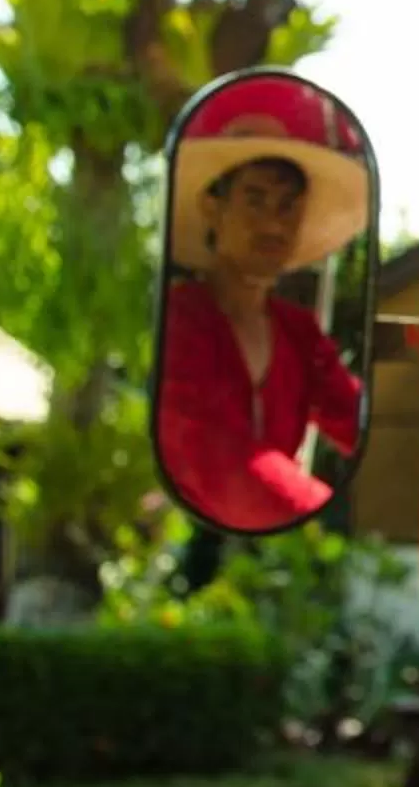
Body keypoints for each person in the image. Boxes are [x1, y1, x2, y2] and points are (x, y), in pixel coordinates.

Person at [156, 77, 372, 530]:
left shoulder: (297, 330)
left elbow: (360, 419)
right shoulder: (181, 321)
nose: (273, 225)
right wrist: (314, 524)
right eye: (255, 201)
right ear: (214, 207)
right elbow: (222, 464)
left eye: (288, 206)